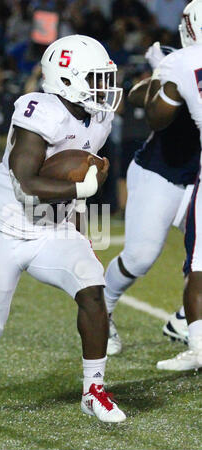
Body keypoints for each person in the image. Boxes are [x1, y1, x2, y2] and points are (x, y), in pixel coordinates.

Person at [0, 35, 126, 423]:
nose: (104, 88)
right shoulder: (40, 111)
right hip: (6, 225)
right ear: (66, 80)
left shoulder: (98, 113)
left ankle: (93, 389)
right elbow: (26, 181)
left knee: (93, 291)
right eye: (95, 79)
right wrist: (83, 187)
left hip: (52, 227)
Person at [104, 43, 201, 356]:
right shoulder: (182, 64)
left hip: (197, 180)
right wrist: (162, 80)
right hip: (162, 174)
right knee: (140, 257)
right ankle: (100, 309)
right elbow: (140, 100)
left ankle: (186, 319)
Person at [145, 0, 202, 371]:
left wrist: (160, 79)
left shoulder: (182, 61)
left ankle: (198, 346)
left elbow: (158, 116)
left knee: (199, 265)